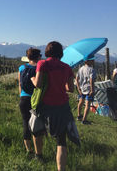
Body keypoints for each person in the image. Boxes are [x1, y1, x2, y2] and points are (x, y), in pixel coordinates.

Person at [31, 41, 77, 171]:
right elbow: (71, 89)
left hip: (45, 106)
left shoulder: (42, 63)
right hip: (62, 106)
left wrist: (33, 79)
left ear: (47, 52)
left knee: (38, 131)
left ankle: (38, 155)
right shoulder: (67, 67)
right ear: (60, 53)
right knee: (61, 141)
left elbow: (39, 84)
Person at [18, 48, 43, 159]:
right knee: (36, 125)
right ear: (39, 56)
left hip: (23, 99)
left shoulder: (22, 68)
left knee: (25, 123)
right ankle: (38, 150)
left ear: (28, 57)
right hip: (36, 100)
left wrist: (21, 96)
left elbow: (20, 84)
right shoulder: (40, 68)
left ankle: (29, 150)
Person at [76, 57, 96, 124]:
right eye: (92, 60)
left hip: (82, 88)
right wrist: (92, 90)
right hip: (88, 89)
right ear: (87, 61)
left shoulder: (80, 69)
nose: (93, 61)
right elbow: (91, 80)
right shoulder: (91, 69)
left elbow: (77, 78)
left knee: (80, 102)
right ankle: (84, 120)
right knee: (87, 104)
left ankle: (79, 116)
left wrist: (78, 88)